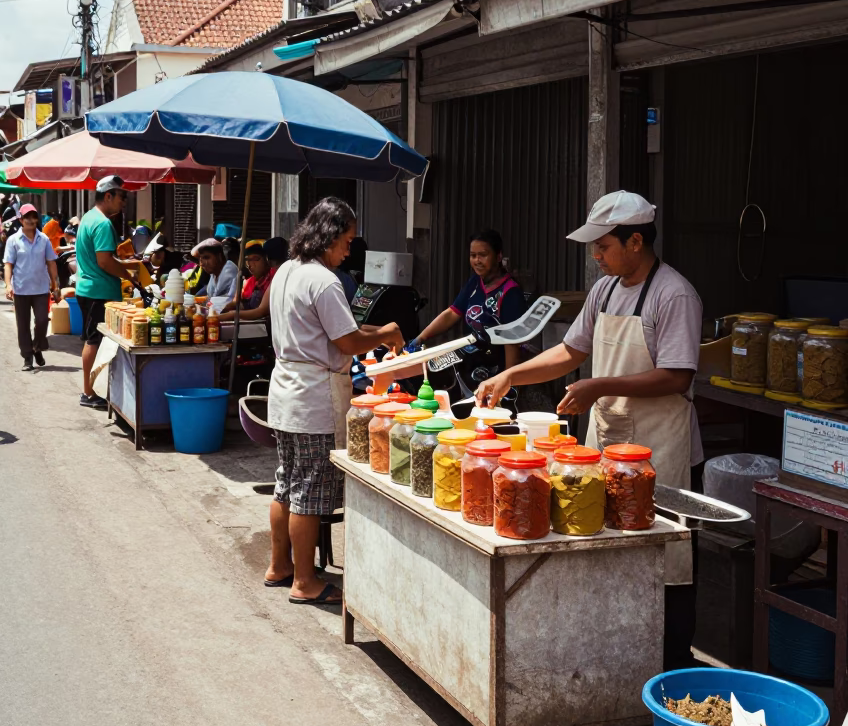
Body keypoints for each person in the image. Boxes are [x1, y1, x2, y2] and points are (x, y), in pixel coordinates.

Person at [475, 191, 703, 669]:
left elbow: (678, 374)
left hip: (660, 448)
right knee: (607, 548)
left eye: (603, 246)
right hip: (607, 442)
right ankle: (617, 660)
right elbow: (570, 352)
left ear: (636, 240)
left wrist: (597, 385)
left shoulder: (673, 294)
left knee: (666, 561)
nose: (596, 256)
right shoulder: (604, 291)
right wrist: (511, 375)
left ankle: (670, 668)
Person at [266, 198, 405, 606]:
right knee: (308, 490)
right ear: (327, 237)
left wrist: (380, 330)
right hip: (313, 398)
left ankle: (280, 565)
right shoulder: (324, 281)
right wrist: (387, 333)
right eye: (346, 241)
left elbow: (339, 327)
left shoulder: (287, 272)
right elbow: (346, 341)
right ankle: (306, 582)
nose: (349, 249)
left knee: (285, 482)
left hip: (285, 392)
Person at [414, 228, 527, 386]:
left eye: (483, 255)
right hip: (470, 361)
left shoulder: (510, 293)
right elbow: (452, 313)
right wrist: (421, 338)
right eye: (473, 255)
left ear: (498, 256)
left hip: (495, 371)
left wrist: (510, 384)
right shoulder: (475, 282)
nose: (477, 261)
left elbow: (512, 344)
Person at [74, 175, 139, 409]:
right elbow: (104, 261)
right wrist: (128, 275)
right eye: (122, 196)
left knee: (96, 341)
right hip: (97, 291)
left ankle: (94, 390)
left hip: (91, 288)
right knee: (93, 340)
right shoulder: (102, 223)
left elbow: (102, 257)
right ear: (108, 196)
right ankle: (89, 393)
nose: (125, 201)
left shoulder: (89, 218)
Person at [4, 203, 60, 371]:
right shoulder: (13, 240)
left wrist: (55, 284)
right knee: (23, 324)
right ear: (21, 220)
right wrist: (8, 285)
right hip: (21, 289)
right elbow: (8, 264)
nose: (31, 220)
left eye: (33, 216)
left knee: (42, 320)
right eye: (27, 217)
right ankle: (27, 357)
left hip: (41, 288)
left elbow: (51, 263)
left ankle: (37, 347)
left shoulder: (44, 239)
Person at [223, 240, 274, 312]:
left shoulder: (273, 279)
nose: (250, 264)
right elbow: (237, 301)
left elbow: (261, 311)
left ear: (266, 260)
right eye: (248, 260)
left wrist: (232, 314)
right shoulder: (248, 282)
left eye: (255, 259)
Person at [192, 238, 240, 302]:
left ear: (219, 256)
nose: (201, 264)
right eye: (200, 260)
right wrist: (192, 299)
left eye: (206, 257)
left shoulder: (229, 268)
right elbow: (210, 297)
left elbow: (214, 298)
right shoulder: (214, 274)